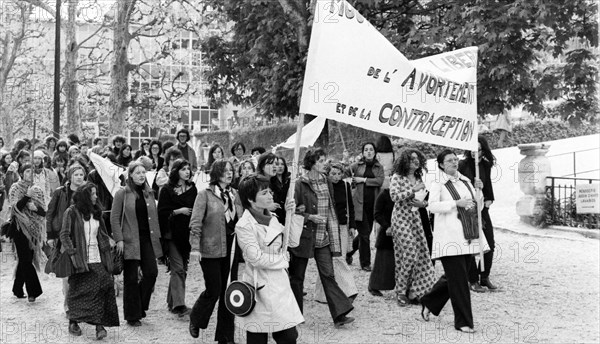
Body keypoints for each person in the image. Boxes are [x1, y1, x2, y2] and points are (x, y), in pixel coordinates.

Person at [420, 149, 487, 333]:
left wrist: (479, 191)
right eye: (449, 160)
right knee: (459, 282)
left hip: (466, 236)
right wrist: (454, 204)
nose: (454, 163)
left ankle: (429, 302)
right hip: (448, 238)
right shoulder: (438, 183)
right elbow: (431, 206)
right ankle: (464, 322)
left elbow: (477, 206)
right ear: (441, 164)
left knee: (457, 277)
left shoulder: (466, 181)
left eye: (455, 160)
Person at [235, 174, 305, 343]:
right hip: (258, 288)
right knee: (257, 337)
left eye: (270, 191)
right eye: (264, 192)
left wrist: (292, 214)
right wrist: (282, 260)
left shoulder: (273, 218)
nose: (270, 195)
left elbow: (293, 242)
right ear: (251, 199)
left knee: (288, 337)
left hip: (279, 287)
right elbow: (256, 258)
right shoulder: (244, 225)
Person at [290, 148, 355, 328]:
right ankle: (294, 315)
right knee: (297, 277)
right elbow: (292, 211)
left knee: (328, 274)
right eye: (320, 160)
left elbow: (332, 210)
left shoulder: (326, 181)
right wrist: (309, 217)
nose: (323, 163)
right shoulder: (299, 183)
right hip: (304, 237)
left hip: (323, 237)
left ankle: (340, 314)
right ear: (311, 162)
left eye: (324, 160)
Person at [188, 160, 242, 343]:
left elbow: (242, 220)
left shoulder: (235, 194)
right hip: (210, 249)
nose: (229, 173)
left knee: (229, 292)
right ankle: (196, 318)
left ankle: (225, 337)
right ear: (216, 173)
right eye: (225, 171)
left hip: (232, 248)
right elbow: (195, 222)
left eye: (231, 170)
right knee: (215, 289)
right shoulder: (205, 194)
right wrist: (195, 248)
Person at [59, 182, 119, 339]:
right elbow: (64, 235)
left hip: (97, 256)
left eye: (95, 193)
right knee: (78, 290)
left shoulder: (96, 212)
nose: (96, 196)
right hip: (79, 259)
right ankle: (73, 321)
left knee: (104, 284)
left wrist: (110, 241)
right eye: (92, 194)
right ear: (85, 196)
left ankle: (100, 325)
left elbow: (102, 233)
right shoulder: (71, 212)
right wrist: (73, 254)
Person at [111, 161, 163, 326]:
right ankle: (132, 315)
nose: (141, 175)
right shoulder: (122, 193)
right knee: (131, 278)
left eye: (143, 172)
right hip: (129, 240)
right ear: (130, 175)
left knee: (151, 273)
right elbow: (114, 217)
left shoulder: (149, 193)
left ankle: (139, 305)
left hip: (147, 240)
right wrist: (119, 239)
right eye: (138, 172)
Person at [389, 149, 436, 305]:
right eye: (412, 159)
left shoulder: (418, 176)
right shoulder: (397, 177)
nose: (416, 161)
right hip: (401, 218)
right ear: (405, 161)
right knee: (409, 254)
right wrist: (412, 190)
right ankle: (401, 290)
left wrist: (422, 203)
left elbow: (424, 199)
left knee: (422, 254)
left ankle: (414, 290)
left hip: (415, 218)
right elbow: (394, 196)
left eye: (417, 159)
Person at [157, 159, 197, 316]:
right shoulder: (166, 190)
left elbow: (198, 210)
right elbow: (161, 213)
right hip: (171, 235)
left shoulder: (193, 189)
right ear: (176, 171)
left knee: (181, 269)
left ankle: (172, 301)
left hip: (186, 235)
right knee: (178, 268)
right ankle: (179, 305)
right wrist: (178, 211)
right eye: (183, 169)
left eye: (188, 169)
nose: (187, 171)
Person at [46, 164, 87, 313]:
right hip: (64, 235)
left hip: (82, 235)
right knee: (68, 270)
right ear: (70, 176)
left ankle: (78, 301)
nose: (79, 177)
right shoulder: (61, 192)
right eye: (76, 174)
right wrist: (50, 235)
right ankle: (68, 304)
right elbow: (50, 213)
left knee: (82, 269)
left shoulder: (86, 191)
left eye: (81, 175)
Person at [314, 162, 358, 302]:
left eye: (339, 174)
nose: (336, 177)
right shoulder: (324, 186)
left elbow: (350, 206)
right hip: (327, 225)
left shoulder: (345, 186)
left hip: (343, 225)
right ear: (328, 173)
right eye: (333, 174)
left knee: (341, 257)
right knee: (328, 260)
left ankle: (342, 290)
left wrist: (352, 225)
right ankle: (325, 293)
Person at [459, 135, 498, 292]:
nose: (475, 152)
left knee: (489, 242)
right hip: (468, 208)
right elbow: (458, 184)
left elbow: (488, 184)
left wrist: (489, 198)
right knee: (471, 242)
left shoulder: (486, 165)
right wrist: (471, 183)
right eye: (472, 149)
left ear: (483, 150)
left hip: (482, 207)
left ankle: (485, 276)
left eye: (478, 149)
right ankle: (472, 279)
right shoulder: (463, 164)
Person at [7, 163, 47, 302]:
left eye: (32, 171)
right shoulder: (15, 188)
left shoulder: (37, 189)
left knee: (26, 259)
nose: (30, 173)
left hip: (33, 229)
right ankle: (33, 291)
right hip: (19, 227)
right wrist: (26, 197)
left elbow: (43, 212)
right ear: (22, 173)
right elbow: (15, 208)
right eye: (27, 171)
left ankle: (17, 288)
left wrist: (35, 208)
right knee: (25, 259)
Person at [345, 142, 384, 271]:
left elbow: (379, 181)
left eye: (371, 150)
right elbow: (344, 173)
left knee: (364, 234)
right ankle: (365, 263)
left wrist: (363, 180)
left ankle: (349, 252)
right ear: (362, 152)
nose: (368, 152)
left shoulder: (379, 167)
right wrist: (345, 161)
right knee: (365, 235)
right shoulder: (356, 166)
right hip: (359, 205)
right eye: (366, 150)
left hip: (373, 205)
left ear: (374, 152)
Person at [368, 187, 395, 296]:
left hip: (402, 230)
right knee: (383, 262)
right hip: (387, 233)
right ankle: (374, 285)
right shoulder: (385, 194)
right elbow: (377, 214)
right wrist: (387, 226)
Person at [271, 155, 290, 225]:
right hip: (275, 215)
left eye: (282, 164)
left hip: (287, 213)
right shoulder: (270, 181)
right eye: (277, 164)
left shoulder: (289, 181)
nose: (280, 166)